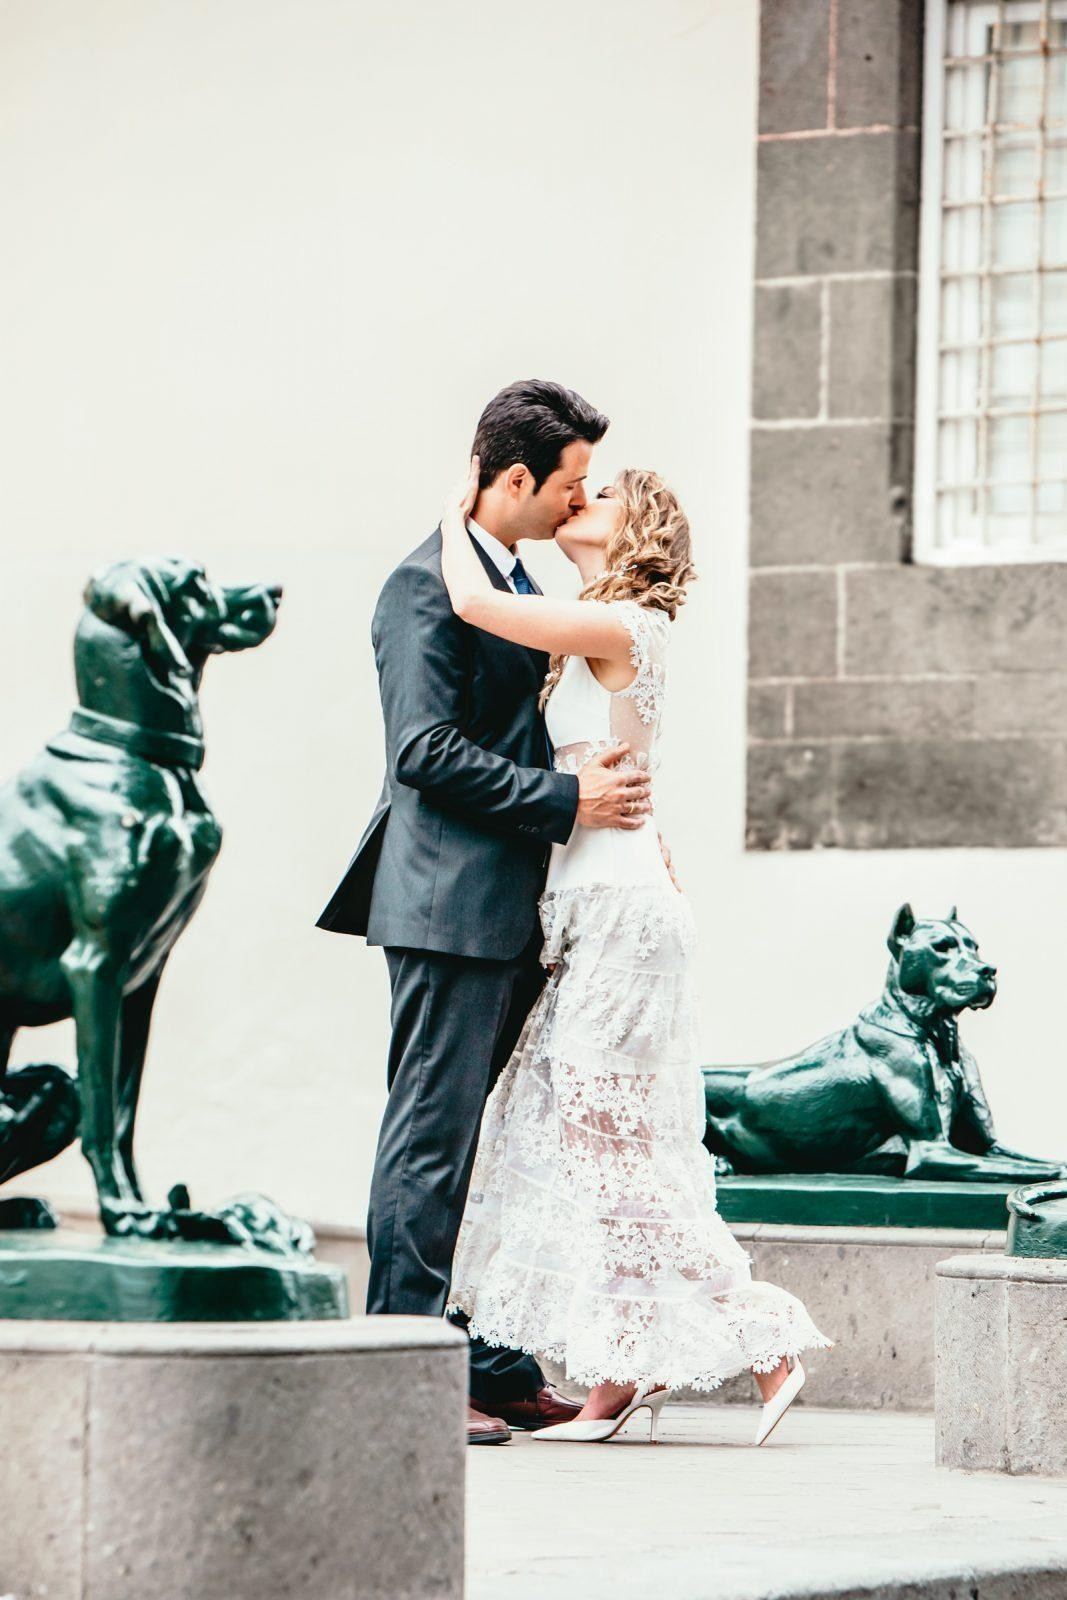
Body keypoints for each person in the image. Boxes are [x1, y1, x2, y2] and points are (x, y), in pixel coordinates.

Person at [443, 456, 831, 1444]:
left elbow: (473, 599)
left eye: (601, 495)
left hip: (619, 914)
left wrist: (463, 502)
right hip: (601, 908)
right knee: (581, 1142)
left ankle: (763, 1340)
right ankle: (615, 1375)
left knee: (616, 1149)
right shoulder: (597, 634)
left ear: (635, 533)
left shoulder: (622, 626)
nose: (580, 499)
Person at [317, 380, 654, 1445]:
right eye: (567, 484)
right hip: (445, 906)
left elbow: (499, 731)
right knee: (430, 1138)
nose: (576, 502)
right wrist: (568, 798)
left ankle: (492, 1360)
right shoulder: (420, 587)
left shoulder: (508, 581)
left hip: (511, 906)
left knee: (488, 1146)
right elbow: (422, 755)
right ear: (514, 479)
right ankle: (406, 1365)